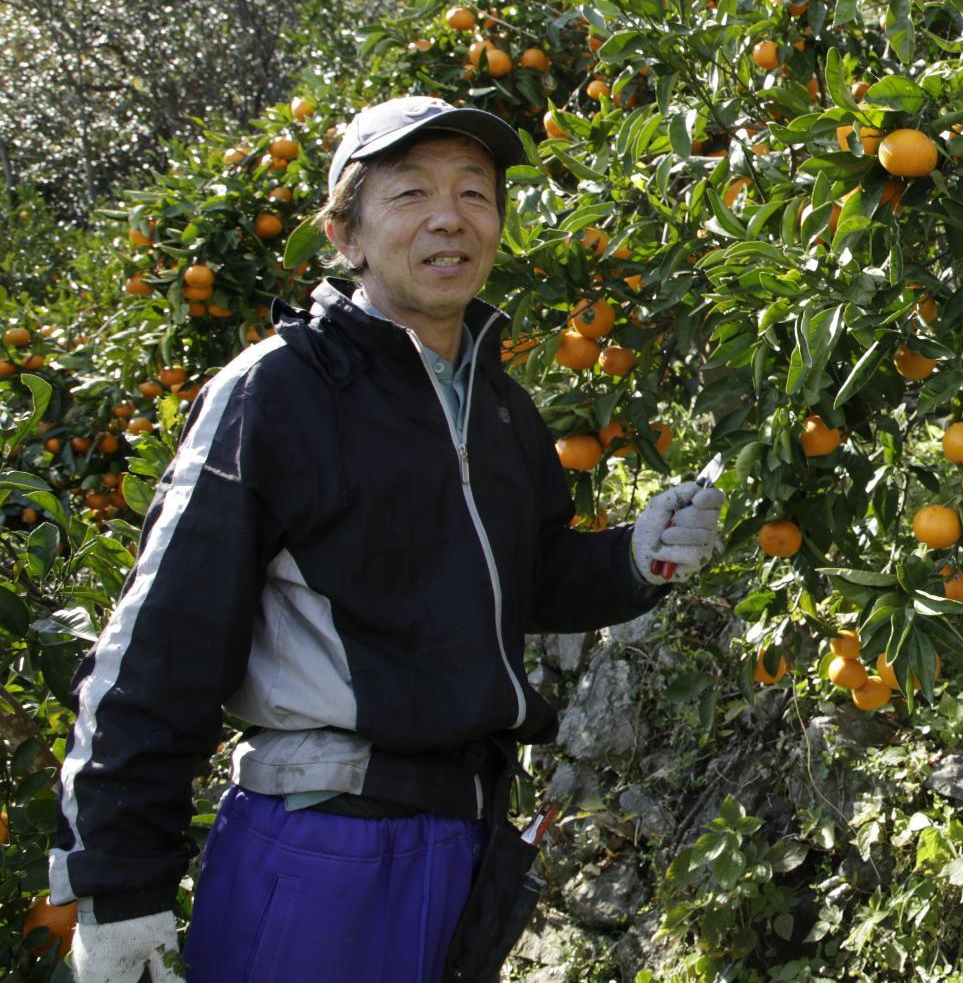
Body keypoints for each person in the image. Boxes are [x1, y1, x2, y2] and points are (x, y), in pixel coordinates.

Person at [49, 96, 725, 983]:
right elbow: (161, 642)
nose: (450, 216)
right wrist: (117, 889)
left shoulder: (497, 402)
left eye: (474, 193)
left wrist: (634, 558)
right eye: (411, 193)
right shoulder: (281, 392)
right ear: (346, 234)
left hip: (462, 834)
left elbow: (521, 577)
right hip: (326, 842)